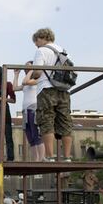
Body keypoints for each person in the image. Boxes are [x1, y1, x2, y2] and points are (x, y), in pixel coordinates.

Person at [31, 28, 73, 162]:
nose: (36, 44)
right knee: (65, 121)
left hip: (47, 89)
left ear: (41, 38)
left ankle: (49, 156)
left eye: (36, 41)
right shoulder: (64, 52)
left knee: (46, 120)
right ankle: (67, 157)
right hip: (63, 90)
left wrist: (32, 74)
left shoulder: (41, 50)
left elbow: (37, 73)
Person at [13, 61, 45, 161]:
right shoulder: (26, 80)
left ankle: (41, 158)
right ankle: (36, 159)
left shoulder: (38, 79)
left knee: (36, 134)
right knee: (30, 136)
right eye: (25, 68)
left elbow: (25, 82)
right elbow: (14, 88)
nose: (26, 69)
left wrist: (31, 69)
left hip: (33, 108)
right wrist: (16, 74)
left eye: (28, 67)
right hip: (25, 110)